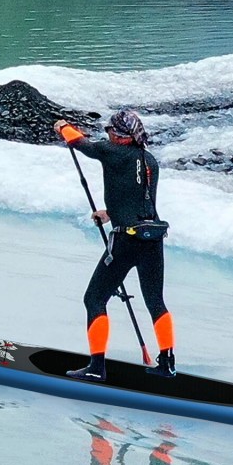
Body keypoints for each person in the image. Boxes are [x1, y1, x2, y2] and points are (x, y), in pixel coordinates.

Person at [54, 110, 176, 381]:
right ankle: (167, 363)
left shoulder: (113, 151)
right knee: (155, 301)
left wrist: (63, 127)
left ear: (119, 135)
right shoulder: (149, 159)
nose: (107, 134)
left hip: (126, 241)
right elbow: (140, 201)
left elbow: (80, 143)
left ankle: (96, 368)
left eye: (110, 131)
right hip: (152, 238)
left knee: (94, 299)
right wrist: (110, 213)